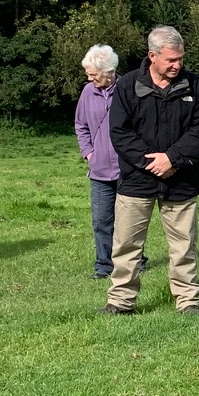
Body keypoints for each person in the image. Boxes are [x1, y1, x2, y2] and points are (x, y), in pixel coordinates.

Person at [104, 26, 199, 315]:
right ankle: (120, 302)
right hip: (136, 180)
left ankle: (188, 302)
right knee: (126, 244)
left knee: (183, 246)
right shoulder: (127, 86)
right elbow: (120, 132)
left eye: (181, 59)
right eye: (171, 60)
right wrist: (152, 163)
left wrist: (173, 159)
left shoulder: (194, 85)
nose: (178, 65)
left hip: (182, 179)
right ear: (152, 56)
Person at [74, 45, 126, 279]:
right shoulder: (87, 92)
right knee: (101, 221)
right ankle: (104, 266)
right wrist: (88, 153)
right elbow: (81, 125)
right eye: (88, 74)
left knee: (129, 221)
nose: (89, 78)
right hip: (99, 170)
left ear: (109, 71)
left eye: (93, 74)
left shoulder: (128, 89)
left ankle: (136, 261)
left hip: (128, 169)